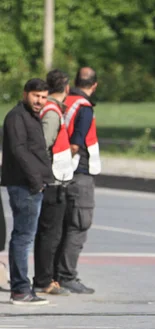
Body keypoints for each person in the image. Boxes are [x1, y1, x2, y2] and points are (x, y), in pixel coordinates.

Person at [1, 78, 53, 305]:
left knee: (24, 237)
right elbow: (19, 151)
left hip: (31, 184)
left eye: (43, 97)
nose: (40, 101)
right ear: (25, 94)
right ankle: (21, 289)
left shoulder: (31, 116)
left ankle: (22, 288)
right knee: (22, 238)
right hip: (24, 185)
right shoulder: (16, 117)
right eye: (36, 96)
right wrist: (35, 181)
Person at [55, 67, 100, 294]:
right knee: (78, 225)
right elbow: (76, 143)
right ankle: (66, 275)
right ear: (95, 85)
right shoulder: (84, 108)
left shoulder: (64, 101)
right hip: (78, 173)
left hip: (59, 175)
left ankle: (54, 275)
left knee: (60, 226)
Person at [33, 69, 73, 296]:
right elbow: (43, 147)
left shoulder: (53, 109)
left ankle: (45, 277)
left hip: (55, 179)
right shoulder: (52, 112)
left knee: (50, 232)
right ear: (66, 88)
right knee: (50, 233)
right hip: (53, 180)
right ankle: (44, 279)